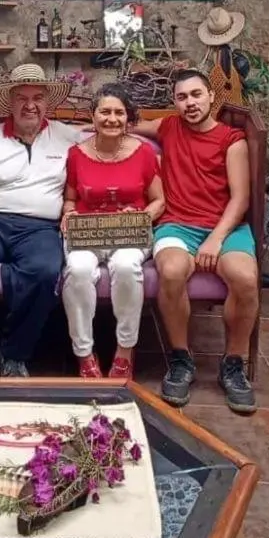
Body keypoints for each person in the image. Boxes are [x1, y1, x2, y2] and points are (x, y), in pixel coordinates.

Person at [0, 63, 86, 378]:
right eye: (22, 98)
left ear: (48, 102)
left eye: (37, 97)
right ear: (10, 102)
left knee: (45, 270)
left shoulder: (68, 137)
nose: (30, 105)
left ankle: (14, 353)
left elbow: (107, 146)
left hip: (41, 226)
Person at [134, 69, 259, 413]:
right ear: (174, 102)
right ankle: (180, 358)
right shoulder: (168, 127)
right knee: (171, 272)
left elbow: (240, 200)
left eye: (196, 94)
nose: (190, 103)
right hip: (177, 224)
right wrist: (90, 128)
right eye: (182, 97)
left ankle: (233, 363)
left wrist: (215, 240)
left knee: (246, 279)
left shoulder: (231, 140)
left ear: (210, 97)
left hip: (225, 226)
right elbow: (128, 127)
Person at [60, 84, 164, 379]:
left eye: (119, 113)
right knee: (78, 269)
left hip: (130, 234)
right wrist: (68, 214)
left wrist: (143, 216)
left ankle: (125, 351)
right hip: (87, 232)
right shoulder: (76, 154)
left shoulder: (143, 153)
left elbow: (159, 200)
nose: (112, 118)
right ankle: (84, 354)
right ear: (93, 117)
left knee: (126, 265)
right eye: (105, 111)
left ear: (128, 119)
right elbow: (69, 198)